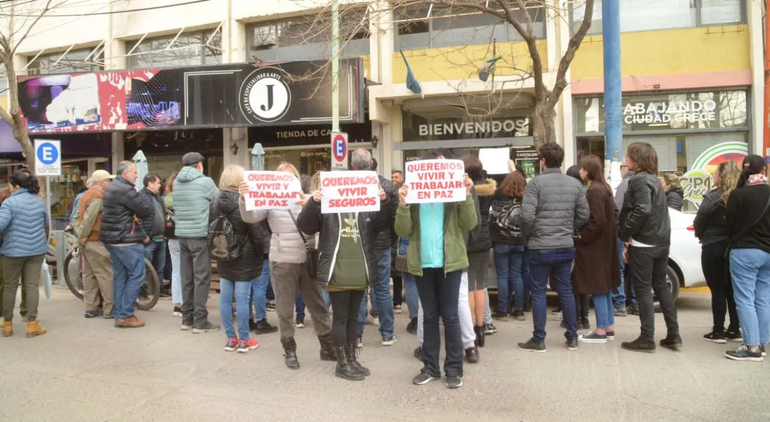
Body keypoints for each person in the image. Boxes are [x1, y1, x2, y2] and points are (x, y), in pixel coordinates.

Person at [239, 162, 334, 370]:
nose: (286, 181)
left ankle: (327, 346)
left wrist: (308, 204)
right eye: (282, 177)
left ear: (297, 179)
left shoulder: (309, 198)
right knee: (284, 309)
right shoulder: (270, 201)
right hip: (283, 260)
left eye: (290, 177)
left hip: (308, 258)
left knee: (317, 305)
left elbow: (326, 221)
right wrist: (244, 199)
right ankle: (289, 349)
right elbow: (251, 217)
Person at [395, 150, 477, 389]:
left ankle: (454, 369)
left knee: (451, 317)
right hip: (422, 265)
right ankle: (430, 367)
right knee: (429, 317)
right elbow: (402, 230)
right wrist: (402, 204)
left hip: (449, 264)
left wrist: (467, 195)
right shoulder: (413, 196)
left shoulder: (453, 195)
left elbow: (469, 223)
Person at [296, 167, 388, 381]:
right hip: (337, 268)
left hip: (360, 268)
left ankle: (351, 358)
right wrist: (314, 203)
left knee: (354, 317)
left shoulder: (365, 204)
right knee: (341, 317)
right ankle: (342, 363)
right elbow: (306, 226)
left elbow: (382, 225)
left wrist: (382, 200)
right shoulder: (327, 206)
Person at [517, 143, 589, 353]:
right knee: (565, 290)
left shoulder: (535, 184)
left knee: (538, 292)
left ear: (543, 161)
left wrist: (529, 234)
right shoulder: (575, 185)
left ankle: (539, 339)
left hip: (540, 246)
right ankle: (572, 337)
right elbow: (584, 215)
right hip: (565, 245)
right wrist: (569, 228)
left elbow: (526, 216)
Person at [618, 142, 681, 353]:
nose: (625, 159)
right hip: (661, 243)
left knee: (643, 289)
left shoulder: (638, 180)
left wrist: (625, 233)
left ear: (636, 159)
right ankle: (674, 335)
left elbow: (642, 209)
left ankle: (647, 338)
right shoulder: (654, 179)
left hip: (644, 244)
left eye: (628, 155)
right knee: (661, 286)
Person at [211, 165, 266, 353]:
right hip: (245, 255)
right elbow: (256, 231)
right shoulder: (244, 200)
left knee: (225, 298)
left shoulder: (215, 201)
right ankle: (244, 339)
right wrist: (262, 252)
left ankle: (230, 339)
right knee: (242, 299)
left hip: (223, 252)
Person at [724, 154, 770, 362]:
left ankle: (751, 347)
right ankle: (761, 342)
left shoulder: (738, 195)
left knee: (744, 298)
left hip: (744, 251)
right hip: (768, 252)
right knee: (763, 298)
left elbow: (729, 227)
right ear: (764, 170)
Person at [694, 161, 742, 344]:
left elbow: (700, 221)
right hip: (734, 247)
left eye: (715, 174)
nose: (713, 177)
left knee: (717, 289)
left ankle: (718, 330)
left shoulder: (713, 198)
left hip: (713, 246)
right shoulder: (739, 196)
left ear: (721, 177)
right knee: (732, 289)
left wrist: (701, 235)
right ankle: (734, 328)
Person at [99, 161, 152, 329]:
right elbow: (145, 210)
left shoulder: (113, 187)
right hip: (125, 239)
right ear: (126, 173)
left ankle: (120, 312)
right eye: (135, 172)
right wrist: (137, 214)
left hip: (111, 239)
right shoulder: (126, 189)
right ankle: (126, 314)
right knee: (137, 274)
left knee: (120, 275)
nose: (137, 175)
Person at [575, 156, 621, 344]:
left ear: (588, 170)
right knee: (605, 286)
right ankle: (608, 326)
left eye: (582, 169)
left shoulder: (594, 190)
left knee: (598, 287)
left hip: (596, 247)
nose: (580, 172)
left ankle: (601, 329)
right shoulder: (605, 188)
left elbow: (597, 220)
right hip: (607, 244)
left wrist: (582, 236)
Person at [354, 151, 398, 347]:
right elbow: (396, 217)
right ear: (372, 163)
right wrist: (390, 240)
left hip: (358, 243)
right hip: (382, 244)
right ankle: (387, 334)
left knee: (360, 289)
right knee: (382, 289)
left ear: (353, 166)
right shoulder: (387, 185)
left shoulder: (348, 185)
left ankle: (357, 336)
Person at [174, 152, 220, 333]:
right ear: (199, 165)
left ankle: (187, 319)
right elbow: (218, 200)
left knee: (187, 278)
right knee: (202, 278)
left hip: (182, 235)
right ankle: (200, 321)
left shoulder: (177, 182)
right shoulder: (205, 181)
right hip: (199, 235)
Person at [0, 170, 49, 338]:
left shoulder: (10, 203)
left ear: (17, 186)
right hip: (36, 251)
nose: (9, 188)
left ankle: (7, 325)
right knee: (31, 286)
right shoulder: (39, 201)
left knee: (10, 287)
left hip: (12, 251)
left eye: (10, 185)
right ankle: (32, 324)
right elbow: (45, 224)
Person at [462, 155, 494, 347]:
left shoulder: (466, 189)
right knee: (480, 286)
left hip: (468, 240)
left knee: (466, 289)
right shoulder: (489, 189)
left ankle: (470, 328)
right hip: (484, 240)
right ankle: (481, 327)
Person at [76, 170, 116, 319]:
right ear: (102, 182)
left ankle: (91, 307)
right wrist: (84, 235)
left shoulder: (86, 194)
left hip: (87, 241)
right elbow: (89, 218)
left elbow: (78, 217)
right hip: (95, 239)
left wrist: (80, 236)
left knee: (89, 275)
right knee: (106, 274)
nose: (110, 183)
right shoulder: (98, 196)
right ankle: (109, 308)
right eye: (108, 180)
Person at [490, 171, 527, 321]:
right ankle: (519, 310)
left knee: (503, 276)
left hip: (501, 240)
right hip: (519, 241)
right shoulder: (525, 196)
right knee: (517, 275)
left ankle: (503, 310)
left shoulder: (497, 194)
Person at [0, 169, 29, 322]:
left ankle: (26, 312)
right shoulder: (4, 194)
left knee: (28, 283)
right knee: (6, 282)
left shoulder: (34, 197)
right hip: (6, 245)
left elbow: (43, 223)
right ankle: (3, 314)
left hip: (27, 247)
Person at [565, 165, 591, 330]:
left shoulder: (573, 192)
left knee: (573, 281)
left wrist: (572, 228)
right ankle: (585, 318)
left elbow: (579, 215)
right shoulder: (587, 191)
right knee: (583, 281)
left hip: (573, 238)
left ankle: (575, 317)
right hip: (586, 240)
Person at [138, 174, 168, 299]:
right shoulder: (141, 196)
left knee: (159, 267)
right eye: (157, 183)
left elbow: (163, 213)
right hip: (149, 239)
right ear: (149, 184)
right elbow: (137, 219)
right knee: (144, 268)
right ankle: (143, 293)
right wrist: (144, 235)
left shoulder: (158, 197)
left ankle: (158, 290)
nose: (160, 185)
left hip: (161, 238)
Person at [613, 160, 635, 316]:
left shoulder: (625, 184)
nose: (621, 170)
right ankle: (636, 304)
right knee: (635, 269)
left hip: (624, 233)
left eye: (621, 167)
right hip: (640, 234)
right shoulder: (649, 181)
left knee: (619, 268)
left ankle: (620, 304)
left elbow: (618, 210)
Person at [164, 172, 183, 317]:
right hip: (186, 236)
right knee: (188, 271)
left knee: (176, 271)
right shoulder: (185, 197)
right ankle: (188, 302)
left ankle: (177, 304)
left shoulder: (167, 198)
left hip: (171, 237)